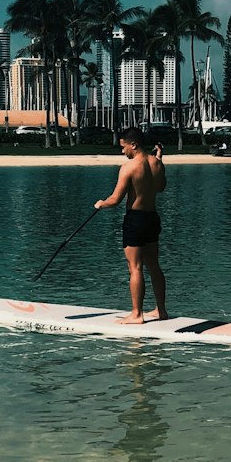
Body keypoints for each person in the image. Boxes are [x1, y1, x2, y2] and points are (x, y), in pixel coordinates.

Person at [95, 128, 168, 323]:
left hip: (135, 219)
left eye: (123, 147)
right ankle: (161, 310)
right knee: (154, 266)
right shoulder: (157, 163)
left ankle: (137, 314)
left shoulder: (128, 167)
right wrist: (159, 158)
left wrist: (101, 203)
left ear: (133, 145)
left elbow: (115, 199)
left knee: (135, 268)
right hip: (152, 218)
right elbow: (160, 188)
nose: (122, 151)